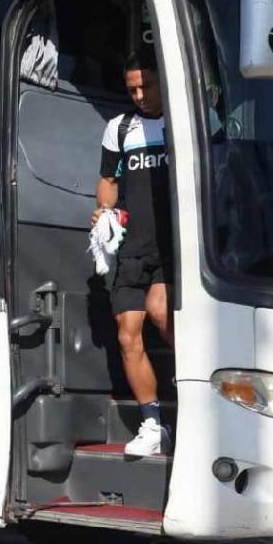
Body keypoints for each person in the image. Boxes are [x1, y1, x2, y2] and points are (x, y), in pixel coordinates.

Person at [93, 50, 174, 456]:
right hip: (132, 248)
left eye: (147, 86)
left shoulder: (185, 120)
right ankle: (152, 423)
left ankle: (198, 401)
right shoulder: (119, 129)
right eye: (132, 89)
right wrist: (104, 214)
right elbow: (108, 179)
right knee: (127, 336)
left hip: (173, 247)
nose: (140, 96)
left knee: (161, 312)